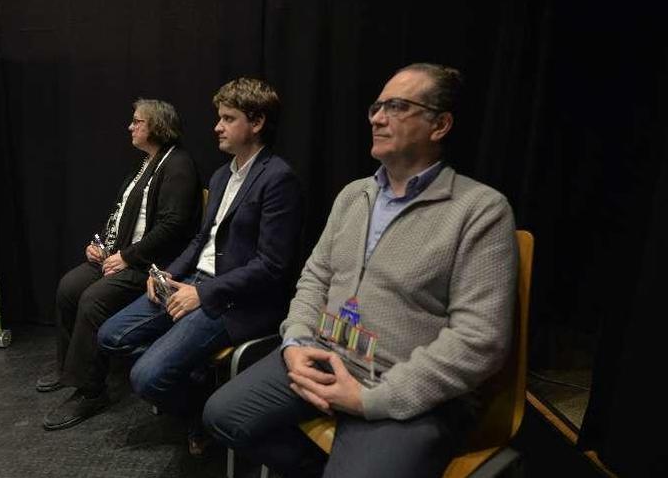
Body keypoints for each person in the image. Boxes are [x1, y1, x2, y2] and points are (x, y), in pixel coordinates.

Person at [203, 63, 518, 477]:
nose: (377, 117)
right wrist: (295, 343)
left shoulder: (480, 211)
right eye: (376, 106)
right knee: (222, 415)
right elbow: (314, 278)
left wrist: (372, 400)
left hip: (405, 388)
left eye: (397, 106)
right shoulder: (355, 195)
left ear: (439, 125)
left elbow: (480, 340)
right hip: (323, 357)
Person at [98, 78, 304, 454]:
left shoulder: (278, 179)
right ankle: (199, 387)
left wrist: (202, 294)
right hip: (192, 282)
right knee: (111, 336)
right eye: (218, 117)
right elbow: (201, 239)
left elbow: (273, 267)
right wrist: (166, 274)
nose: (217, 127)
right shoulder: (223, 174)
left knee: (146, 378)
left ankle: (203, 417)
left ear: (256, 123)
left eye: (228, 118)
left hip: (235, 299)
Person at [38, 99, 202, 431]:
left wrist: (126, 257)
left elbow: (172, 227)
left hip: (150, 265)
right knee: (69, 287)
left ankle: (91, 390)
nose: (130, 126)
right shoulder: (145, 164)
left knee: (93, 298)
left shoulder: (178, 166)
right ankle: (69, 367)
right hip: (120, 256)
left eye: (137, 121)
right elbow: (120, 215)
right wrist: (99, 245)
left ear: (156, 127)